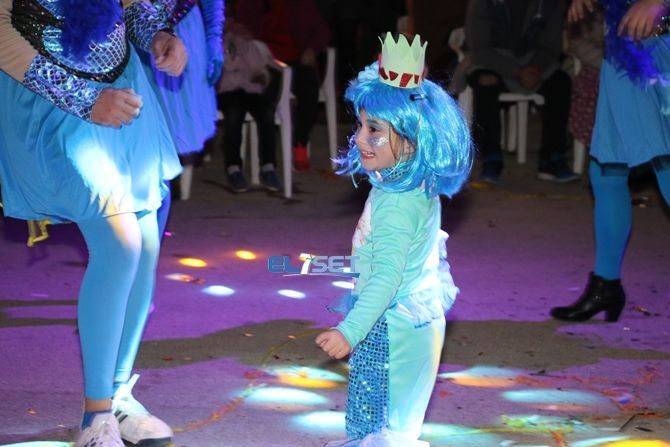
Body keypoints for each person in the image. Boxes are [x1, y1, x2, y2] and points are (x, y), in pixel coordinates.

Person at [0, 1, 186, 446]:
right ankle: (95, 417)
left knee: (145, 242)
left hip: (122, 92)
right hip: (49, 99)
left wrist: (159, 36)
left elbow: (130, 9)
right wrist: (83, 98)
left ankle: (117, 395)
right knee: (120, 244)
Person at [315, 33, 472, 446]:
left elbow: (386, 277)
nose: (359, 138)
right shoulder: (411, 185)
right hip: (412, 317)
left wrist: (349, 331)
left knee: (378, 419)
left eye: (374, 129)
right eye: (360, 125)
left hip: (391, 326)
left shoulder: (396, 205)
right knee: (397, 418)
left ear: (411, 137)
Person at [550, 0, 670, 322]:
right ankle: (606, 284)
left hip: (663, 51)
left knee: (666, 164)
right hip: (623, 51)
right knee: (606, 169)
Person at [464, 0, 579, 183]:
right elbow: (479, 50)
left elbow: (552, 46)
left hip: (534, 61)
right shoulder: (482, 3)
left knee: (561, 82)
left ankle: (552, 157)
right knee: (485, 82)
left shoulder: (550, 3)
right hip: (493, 61)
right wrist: (516, 71)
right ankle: (491, 157)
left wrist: (537, 68)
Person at [231, 0, 330, 172]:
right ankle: (266, 159)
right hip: (265, 63)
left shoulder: (300, 5)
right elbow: (239, 31)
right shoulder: (250, 5)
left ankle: (300, 143)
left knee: (308, 84)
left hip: (297, 61)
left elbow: (322, 31)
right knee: (265, 94)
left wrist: (311, 49)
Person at [141, 0, 224, 205]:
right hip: (136, 29)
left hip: (184, 31)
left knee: (169, 136)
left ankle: (158, 205)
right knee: (141, 137)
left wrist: (214, 38)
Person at [217, 20, 281, 193]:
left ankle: (268, 166)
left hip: (250, 90)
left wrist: (262, 78)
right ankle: (234, 167)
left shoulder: (249, 44)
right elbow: (219, 70)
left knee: (266, 112)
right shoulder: (215, 42)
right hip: (227, 90)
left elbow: (262, 70)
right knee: (234, 113)